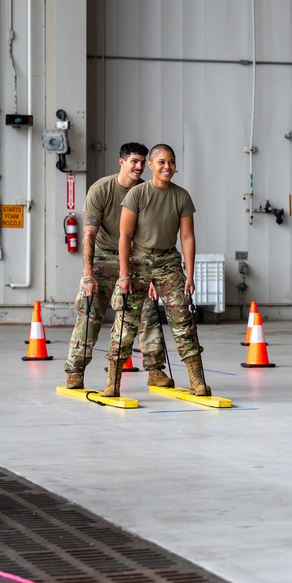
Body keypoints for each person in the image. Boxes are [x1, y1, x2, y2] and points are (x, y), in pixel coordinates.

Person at [63, 142, 173, 390]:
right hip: (103, 256)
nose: (139, 166)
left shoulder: (148, 191)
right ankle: (75, 371)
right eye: (134, 161)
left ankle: (155, 370)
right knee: (90, 311)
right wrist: (88, 274)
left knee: (148, 312)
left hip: (136, 259)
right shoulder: (101, 189)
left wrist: (152, 276)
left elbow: (150, 236)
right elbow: (89, 235)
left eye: (143, 162)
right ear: (121, 162)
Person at [103, 143, 211, 397]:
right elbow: (125, 235)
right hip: (138, 260)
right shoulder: (137, 194)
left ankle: (197, 379)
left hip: (168, 261)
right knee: (126, 321)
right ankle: (113, 381)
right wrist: (124, 274)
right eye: (161, 162)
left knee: (182, 318)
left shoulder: (181, 196)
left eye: (171, 162)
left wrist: (190, 274)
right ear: (150, 165)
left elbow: (187, 237)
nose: (167, 167)